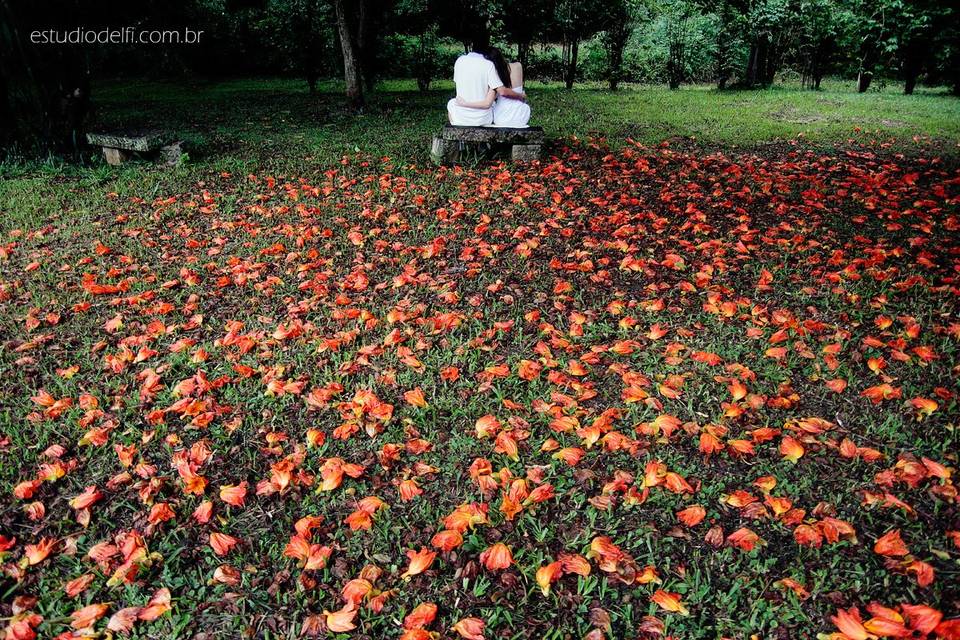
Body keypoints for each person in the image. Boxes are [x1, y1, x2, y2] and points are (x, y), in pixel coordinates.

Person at [447, 42, 527, 127]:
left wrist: (464, 103)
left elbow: (495, 97)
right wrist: (520, 95)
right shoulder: (518, 66)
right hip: (521, 115)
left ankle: (455, 128)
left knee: (451, 103)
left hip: (500, 118)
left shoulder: (495, 74)